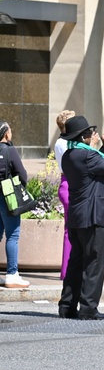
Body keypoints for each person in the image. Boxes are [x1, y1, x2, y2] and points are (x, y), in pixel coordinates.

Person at [58, 117, 104, 319]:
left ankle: (67, 305)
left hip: (78, 216)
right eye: (89, 133)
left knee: (76, 262)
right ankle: (88, 308)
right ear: (83, 137)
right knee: (94, 262)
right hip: (94, 215)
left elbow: (98, 165)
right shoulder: (86, 155)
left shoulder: (70, 155)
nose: (92, 135)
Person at [0, 120, 30, 289]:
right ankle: (12, 274)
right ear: (6, 134)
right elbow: (22, 174)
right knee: (12, 235)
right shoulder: (10, 150)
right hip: (7, 197)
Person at [53, 110, 76, 281]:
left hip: (67, 183)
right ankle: (67, 271)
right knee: (70, 230)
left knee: (70, 230)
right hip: (69, 184)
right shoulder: (64, 143)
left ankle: (68, 270)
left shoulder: (61, 142)